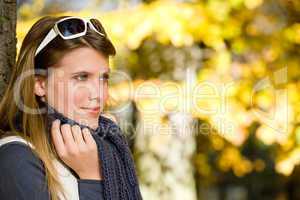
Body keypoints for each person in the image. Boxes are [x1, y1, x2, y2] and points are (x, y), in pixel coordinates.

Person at [0, 16, 143, 200]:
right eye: (81, 77)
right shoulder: (17, 160)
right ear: (40, 84)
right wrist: (93, 178)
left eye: (104, 78)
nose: (98, 94)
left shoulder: (103, 148)